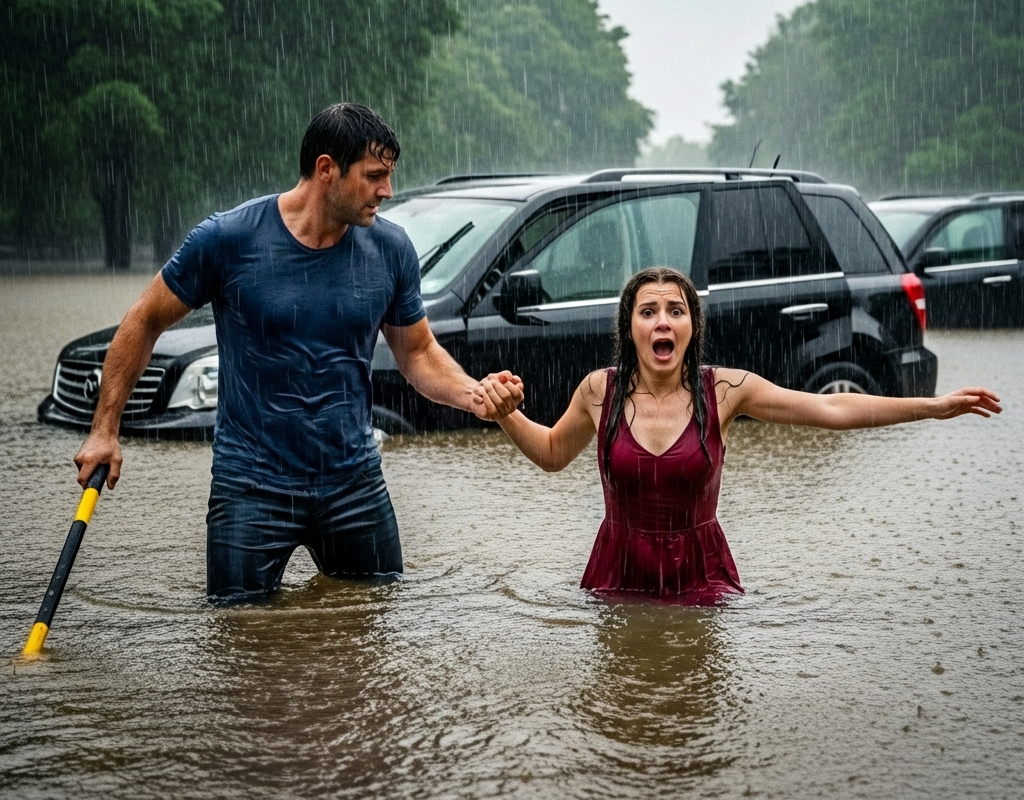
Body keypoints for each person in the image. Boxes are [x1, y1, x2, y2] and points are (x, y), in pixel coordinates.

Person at [74, 103, 523, 601]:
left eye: (389, 176)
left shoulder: (391, 250)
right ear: (326, 169)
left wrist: (473, 394)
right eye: (374, 176)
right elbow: (144, 320)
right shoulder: (228, 239)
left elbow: (416, 352)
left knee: (374, 623)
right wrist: (104, 430)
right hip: (250, 487)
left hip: (354, 483)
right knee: (238, 637)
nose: (387, 191)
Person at [479, 266, 1001, 603]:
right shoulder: (599, 392)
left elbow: (831, 407)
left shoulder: (727, 390)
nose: (663, 321)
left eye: (676, 311)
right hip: (617, 574)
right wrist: (506, 414)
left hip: (702, 576)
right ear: (630, 328)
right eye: (648, 311)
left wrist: (931, 408)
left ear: (691, 327)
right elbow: (550, 453)